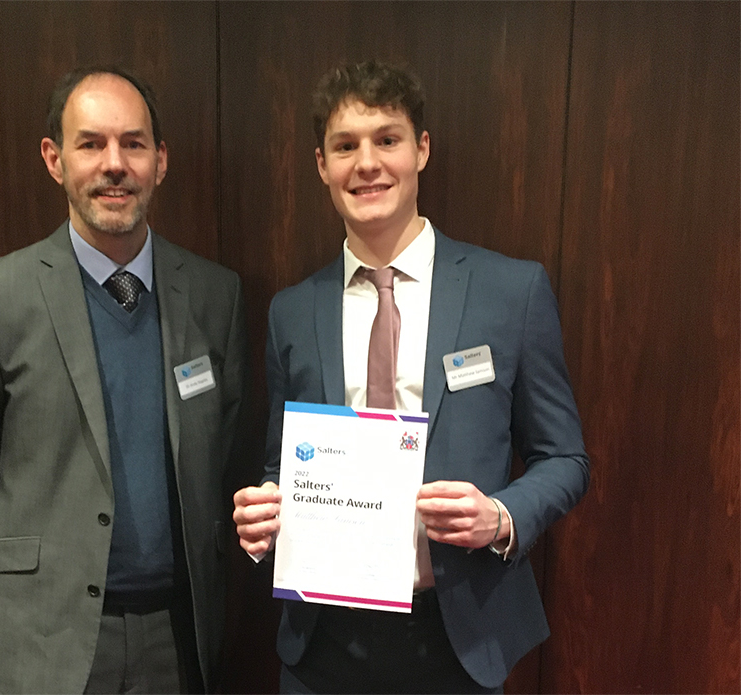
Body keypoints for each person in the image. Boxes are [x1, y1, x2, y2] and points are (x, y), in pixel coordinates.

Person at [233, 60, 589, 694]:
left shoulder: (511, 292)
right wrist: (265, 507)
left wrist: (501, 517)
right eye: (346, 146)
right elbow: (279, 465)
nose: (367, 163)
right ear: (322, 165)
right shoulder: (292, 310)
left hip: (459, 640)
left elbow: (565, 457)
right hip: (323, 645)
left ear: (421, 150)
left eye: (387, 139)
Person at [0, 65, 248, 694]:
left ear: (160, 161)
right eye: (90, 144)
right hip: (40, 640)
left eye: (133, 144)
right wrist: (41, 566)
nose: (114, 164)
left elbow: (226, 454)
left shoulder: (215, 295)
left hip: (177, 641)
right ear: (54, 159)